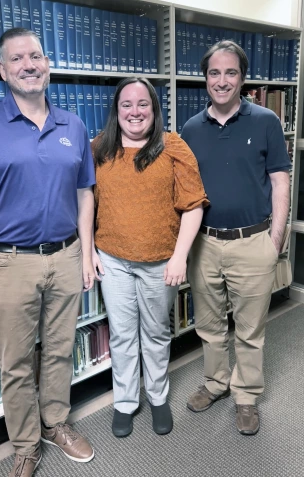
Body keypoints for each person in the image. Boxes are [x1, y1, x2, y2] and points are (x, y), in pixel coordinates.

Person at [0, 28, 95, 477]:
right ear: (2, 69)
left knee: (57, 350)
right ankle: (26, 445)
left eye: (35, 55)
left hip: (67, 255)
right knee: (14, 361)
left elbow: (86, 191)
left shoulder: (72, 124)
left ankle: (56, 424)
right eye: (17, 59)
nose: (28, 65)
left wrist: (87, 251)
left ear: (47, 63)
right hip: (8, 262)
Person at [181, 40, 291, 435]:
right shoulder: (191, 129)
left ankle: (246, 396)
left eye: (231, 73)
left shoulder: (265, 121)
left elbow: (280, 181)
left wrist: (275, 240)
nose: (222, 80)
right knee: (209, 326)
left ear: (242, 79)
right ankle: (215, 384)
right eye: (214, 73)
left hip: (253, 243)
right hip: (205, 245)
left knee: (249, 330)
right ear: (205, 78)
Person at [91, 77, 209, 438]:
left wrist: (179, 257)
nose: (135, 111)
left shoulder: (173, 146)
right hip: (112, 260)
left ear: (155, 109)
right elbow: (85, 200)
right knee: (123, 336)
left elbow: (193, 206)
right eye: (126, 104)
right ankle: (125, 402)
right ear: (117, 110)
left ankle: (158, 397)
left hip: (161, 261)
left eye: (143, 104)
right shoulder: (99, 147)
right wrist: (88, 252)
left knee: (156, 333)